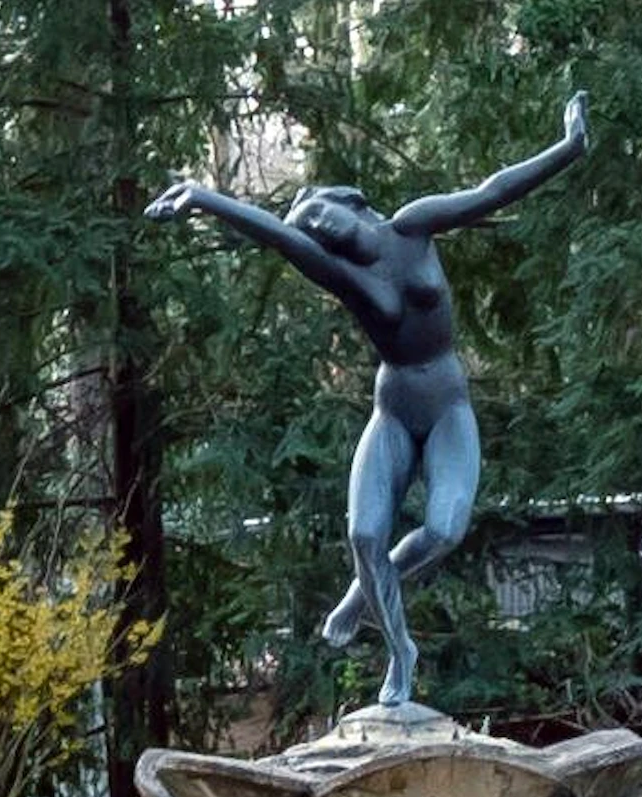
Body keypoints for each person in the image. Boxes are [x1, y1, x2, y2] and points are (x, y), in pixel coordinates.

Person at [145, 92, 589, 706]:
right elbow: (278, 237)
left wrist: (567, 148)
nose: (320, 232)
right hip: (394, 405)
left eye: (323, 218)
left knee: (443, 530)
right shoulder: (344, 277)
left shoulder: (412, 224)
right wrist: (204, 197)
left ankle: (361, 596)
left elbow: (491, 191)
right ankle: (400, 653)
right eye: (314, 234)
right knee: (363, 535)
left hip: (447, 404)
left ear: (351, 207)